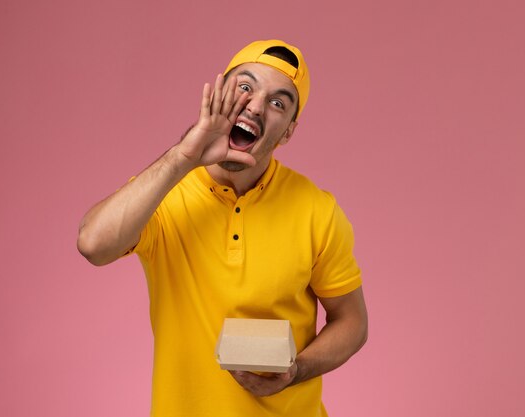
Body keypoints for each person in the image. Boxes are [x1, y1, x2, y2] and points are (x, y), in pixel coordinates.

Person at [77, 39, 368, 417]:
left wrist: (297, 371)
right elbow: (93, 244)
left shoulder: (318, 210)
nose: (256, 106)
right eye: (245, 87)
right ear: (216, 94)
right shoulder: (164, 193)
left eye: (278, 102)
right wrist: (185, 156)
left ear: (288, 131)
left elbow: (353, 322)